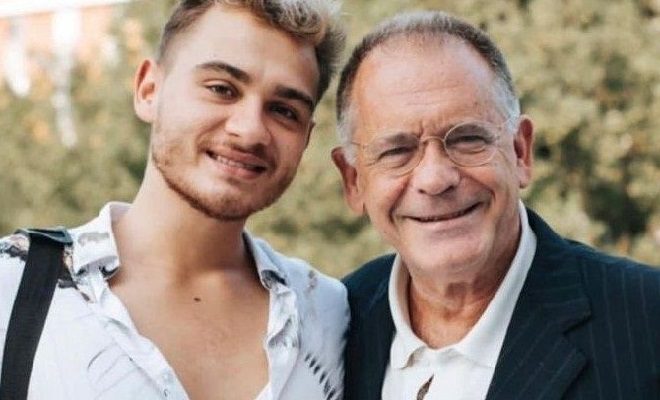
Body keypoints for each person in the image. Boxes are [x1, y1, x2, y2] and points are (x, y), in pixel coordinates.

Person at [0, 1, 348, 399]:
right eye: (222, 89)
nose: (251, 130)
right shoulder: (13, 285)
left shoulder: (328, 312)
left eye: (284, 111)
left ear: (306, 137)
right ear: (149, 89)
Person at [331, 10, 660, 400]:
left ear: (520, 151)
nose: (435, 179)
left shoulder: (647, 322)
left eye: (467, 139)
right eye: (397, 151)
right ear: (353, 180)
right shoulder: (331, 326)